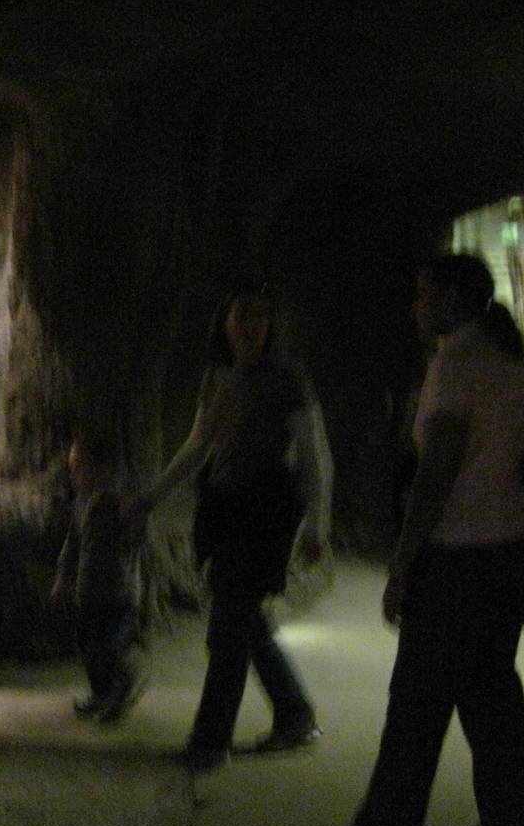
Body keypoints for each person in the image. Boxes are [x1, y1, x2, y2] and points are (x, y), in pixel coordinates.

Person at [306, 252, 524, 826]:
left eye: (423, 294)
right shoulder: (509, 362)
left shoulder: (455, 366)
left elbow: (435, 476)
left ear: (451, 301)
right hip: (509, 550)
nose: (415, 307)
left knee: (416, 703)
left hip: (457, 556)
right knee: (492, 702)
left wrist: (402, 565)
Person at [126, 280, 333, 772]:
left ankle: (210, 741)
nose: (250, 326)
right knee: (245, 619)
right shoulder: (217, 376)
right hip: (224, 507)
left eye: (260, 316)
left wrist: (316, 523)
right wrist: (153, 497)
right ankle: (294, 714)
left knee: (227, 626)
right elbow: (199, 445)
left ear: (271, 324)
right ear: (224, 322)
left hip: (266, 509)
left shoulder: (288, 377)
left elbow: (313, 453)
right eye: (241, 315)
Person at [51, 431, 145, 722]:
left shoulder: (121, 505)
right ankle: (102, 693)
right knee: (88, 646)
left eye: (79, 466)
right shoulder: (83, 503)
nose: (73, 473)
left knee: (108, 649)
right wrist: (63, 577)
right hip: (87, 592)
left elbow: (136, 542)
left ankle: (124, 687)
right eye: (72, 466)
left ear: (104, 469)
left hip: (117, 594)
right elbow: (73, 543)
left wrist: (134, 519)